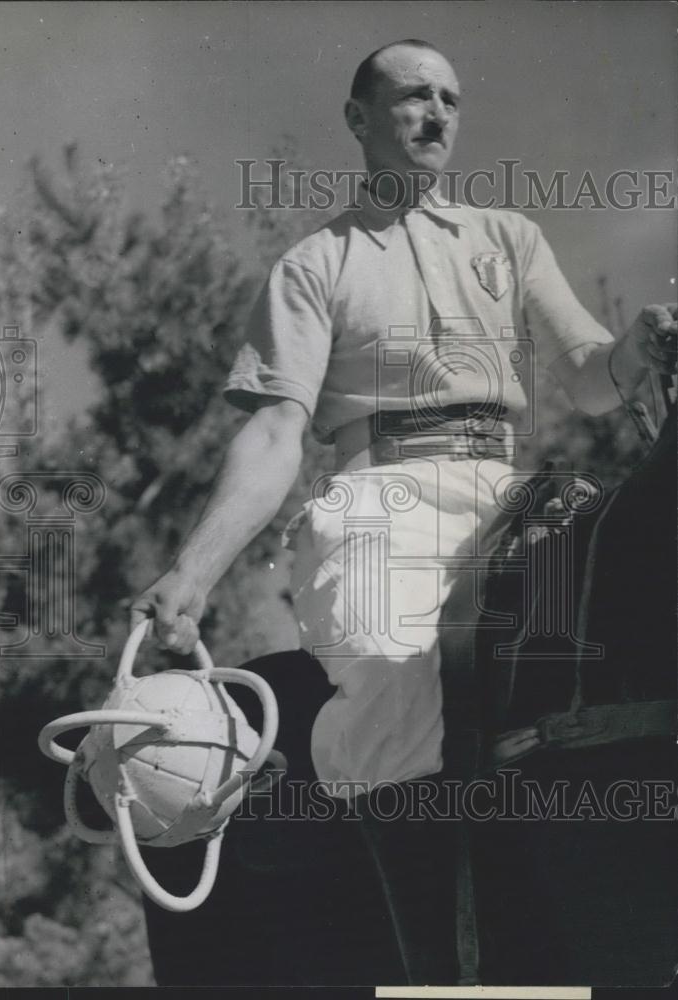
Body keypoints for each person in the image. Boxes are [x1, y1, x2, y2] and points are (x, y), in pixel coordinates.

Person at [130, 39, 677, 984]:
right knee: (390, 670)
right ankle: (441, 966)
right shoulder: (313, 265)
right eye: (412, 96)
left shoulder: (509, 239)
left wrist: (635, 346)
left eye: (450, 99)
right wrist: (193, 571)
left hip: (516, 500)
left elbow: (590, 378)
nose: (436, 114)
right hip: (381, 500)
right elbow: (272, 437)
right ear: (357, 119)